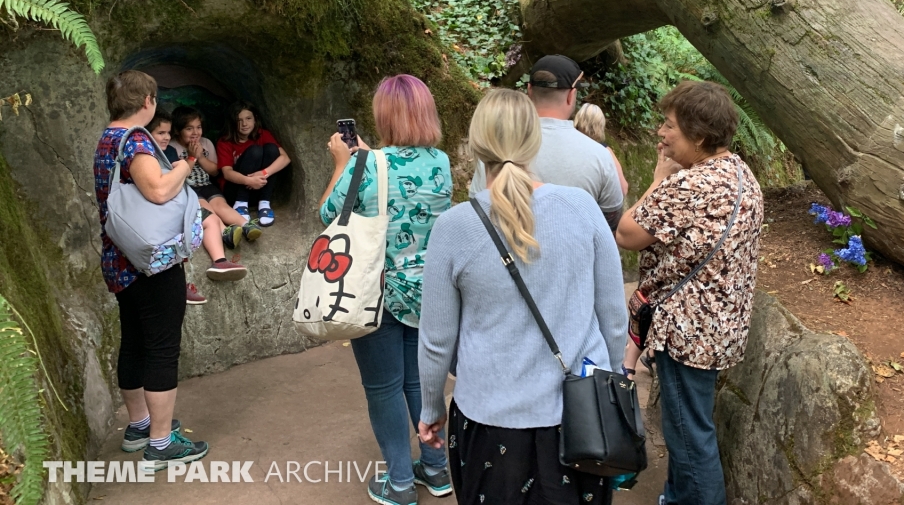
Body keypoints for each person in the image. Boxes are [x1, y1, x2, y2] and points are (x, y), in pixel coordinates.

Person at [418, 88, 628, 505]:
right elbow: (613, 316)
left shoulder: (454, 227)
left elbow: (436, 339)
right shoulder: (582, 208)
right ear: (535, 140)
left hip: (487, 419)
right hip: (579, 420)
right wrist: (613, 382)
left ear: (477, 146)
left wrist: (430, 409)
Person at [615, 80, 764, 505]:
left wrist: (660, 179)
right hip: (720, 327)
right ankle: (675, 497)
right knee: (691, 430)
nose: (661, 133)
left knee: (689, 439)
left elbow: (628, 233)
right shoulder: (739, 172)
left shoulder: (689, 186)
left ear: (699, 136)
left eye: (670, 126)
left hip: (687, 334)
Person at [318, 75, 453, 505]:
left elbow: (327, 214)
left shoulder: (368, 164)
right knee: (419, 383)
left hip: (377, 293)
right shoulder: (441, 162)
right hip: (428, 290)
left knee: (383, 388)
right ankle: (435, 469)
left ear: (383, 115)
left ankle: (398, 484)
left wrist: (343, 161)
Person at [94, 70, 208, 471]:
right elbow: (158, 189)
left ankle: (140, 426)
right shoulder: (137, 139)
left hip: (120, 259)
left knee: (136, 341)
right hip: (151, 260)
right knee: (161, 347)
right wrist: (183, 165)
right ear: (147, 102)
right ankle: (161, 444)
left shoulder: (107, 138)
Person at [468, 55, 624, 230]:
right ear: (571, 96)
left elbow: (477, 206)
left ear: (529, 90)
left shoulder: (497, 148)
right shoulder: (599, 155)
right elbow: (611, 220)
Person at [146, 111, 248, 305]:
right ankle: (221, 248)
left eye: (167, 133)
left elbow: (208, 171)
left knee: (210, 217)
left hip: (182, 198)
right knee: (206, 217)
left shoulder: (167, 150)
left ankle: (220, 259)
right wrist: (191, 160)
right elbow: (173, 181)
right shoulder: (152, 154)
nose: (166, 137)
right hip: (173, 203)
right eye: (161, 133)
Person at [169, 105, 262, 247]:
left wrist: (200, 157)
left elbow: (215, 171)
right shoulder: (172, 147)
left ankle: (246, 226)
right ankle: (226, 233)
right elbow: (178, 176)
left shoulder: (206, 143)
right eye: (189, 128)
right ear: (177, 130)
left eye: (198, 127)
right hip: (187, 188)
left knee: (221, 205)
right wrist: (192, 157)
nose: (195, 132)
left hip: (207, 185)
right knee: (207, 208)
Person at [217, 101, 291, 227]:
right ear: (232, 122)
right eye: (239, 120)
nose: (244, 124)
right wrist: (248, 181)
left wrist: (263, 173)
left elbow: (285, 158)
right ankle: (240, 204)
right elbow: (227, 173)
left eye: (248, 118)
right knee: (255, 151)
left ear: (255, 119)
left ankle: (264, 203)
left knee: (272, 149)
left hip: (258, 188)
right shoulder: (225, 141)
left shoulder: (262, 134)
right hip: (234, 192)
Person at [574, 102, 629, 197]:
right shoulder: (606, 151)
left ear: (577, 121)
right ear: (600, 125)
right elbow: (623, 188)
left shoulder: (568, 144)